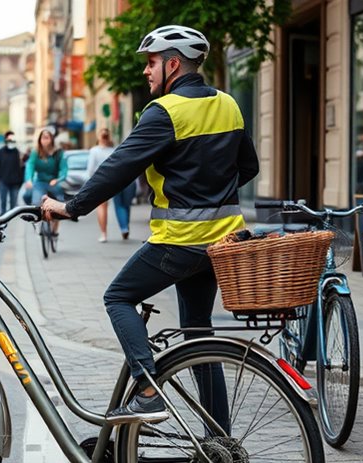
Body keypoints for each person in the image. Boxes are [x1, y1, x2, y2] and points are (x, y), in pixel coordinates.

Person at [41, 25, 258, 435]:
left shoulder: (164, 112)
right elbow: (249, 167)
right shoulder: (229, 104)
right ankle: (221, 442)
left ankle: (147, 389)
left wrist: (70, 208)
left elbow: (118, 167)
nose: (146, 71)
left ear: (173, 64)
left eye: (152, 62)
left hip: (179, 243)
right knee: (199, 336)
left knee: (118, 296)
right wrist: (211, 192)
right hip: (223, 243)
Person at [87, 128, 137, 242]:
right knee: (122, 204)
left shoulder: (94, 150)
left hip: (100, 181)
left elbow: (90, 170)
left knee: (102, 206)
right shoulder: (114, 150)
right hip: (115, 179)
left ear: (98, 137)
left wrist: (92, 181)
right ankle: (124, 227)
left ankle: (103, 234)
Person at [25, 129, 67, 235]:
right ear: (39, 140)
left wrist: (58, 179)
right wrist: (29, 179)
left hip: (54, 182)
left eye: (47, 137)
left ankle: (54, 229)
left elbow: (64, 169)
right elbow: (30, 165)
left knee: (59, 203)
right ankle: (38, 223)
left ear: (51, 139)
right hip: (40, 182)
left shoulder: (58, 152)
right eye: (42, 137)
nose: (44, 140)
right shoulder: (36, 152)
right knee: (35, 202)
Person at [0, 130, 24, 214]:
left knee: (14, 204)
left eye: (12, 140)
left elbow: (24, 166)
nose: (11, 142)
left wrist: (22, 179)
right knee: (3, 202)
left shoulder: (18, 152)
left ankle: (11, 217)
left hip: (16, 181)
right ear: (5, 140)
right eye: (9, 140)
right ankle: (2, 220)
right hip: (3, 181)